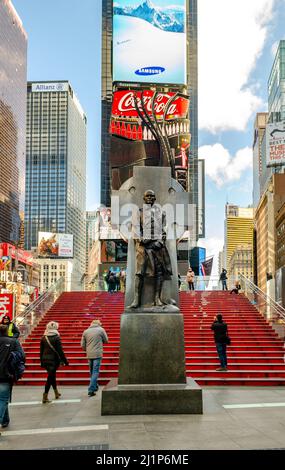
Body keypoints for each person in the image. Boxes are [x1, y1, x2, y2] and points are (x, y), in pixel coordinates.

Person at [128, 190, 172, 308]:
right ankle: (136, 300)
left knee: (159, 273)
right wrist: (141, 240)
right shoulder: (138, 212)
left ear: (155, 198)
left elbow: (164, 230)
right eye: (147, 196)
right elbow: (135, 228)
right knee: (139, 273)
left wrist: (160, 242)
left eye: (152, 196)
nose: (150, 198)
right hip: (143, 248)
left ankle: (157, 299)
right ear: (144, 198)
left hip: (156, 247)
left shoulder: (161, 214)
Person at [0, 324, 25, 432]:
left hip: (5, 374)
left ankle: (5, 420)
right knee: (3, 399)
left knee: (2, 398)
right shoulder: (13, 341)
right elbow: (22, 356)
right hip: (6, 374)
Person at [40, 321, 69, 404]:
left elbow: (41, 351)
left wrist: (41, 361)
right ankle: (45, 396)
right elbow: (60, 351)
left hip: (45, 360)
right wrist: (65, 360)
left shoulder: (43, 337)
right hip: (53, 360)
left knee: (52, 376)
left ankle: (56, 393)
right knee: (50, 378)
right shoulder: (56, 337)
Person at [81, 319, 108, 397]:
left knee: (92, 371)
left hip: (89, 354)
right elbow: (106, 341)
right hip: (97, 353)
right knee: (95, 371)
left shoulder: (86, 331)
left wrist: (87, 350)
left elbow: (82, 344)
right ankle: (91, 389)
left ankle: (95, 386)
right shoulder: (101, 330)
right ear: (99, 324)